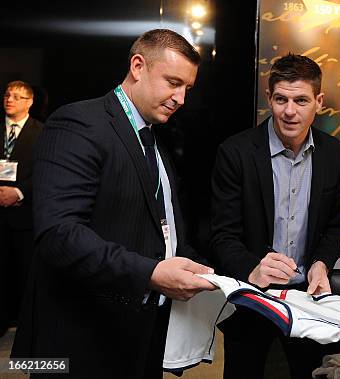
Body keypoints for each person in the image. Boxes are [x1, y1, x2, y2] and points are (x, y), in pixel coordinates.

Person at [11, 29, 215, 379]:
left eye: (187, 88)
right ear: (138, 66)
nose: (180, 97)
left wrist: (227, 276)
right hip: (79, 339)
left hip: (137, 334)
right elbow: (59, 234)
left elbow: (161, 232)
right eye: (173, 82)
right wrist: (150, 274)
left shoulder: (154, 140)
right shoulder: (78, 123)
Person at [209, 53, 340, 378]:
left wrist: (321, 263)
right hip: (251, 299)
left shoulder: (333, 152)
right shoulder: (235, 152)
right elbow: (222, 235)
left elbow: (336, 222)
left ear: (319, 101)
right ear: (269, 99)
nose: (290, 111)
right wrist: (252, 268)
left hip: (309, 299)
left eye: (301, 100)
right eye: (281, 99)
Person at [0, 80, 43, 338]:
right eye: (7, 95)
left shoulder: (41, 132)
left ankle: (25, 324)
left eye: (16, 96)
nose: (9, 99)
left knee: (24, 271)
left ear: (29, 102)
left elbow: (45, 170)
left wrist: (18, 192)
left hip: (24, 215)